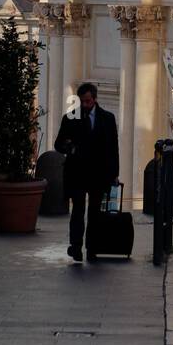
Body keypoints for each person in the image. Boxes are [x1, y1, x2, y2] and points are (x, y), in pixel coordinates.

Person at [54, 81, 119, 262]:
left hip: (99, 174)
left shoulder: (108, 119)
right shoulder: (70, 118)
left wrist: (114, 173)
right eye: (82, 101)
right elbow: (58, 144)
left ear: (95, 99)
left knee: (95, 212)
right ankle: (76, 247)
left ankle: (92, 247)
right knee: (78, 211)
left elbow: (114, 148)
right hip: (78, 173)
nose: (84, 105)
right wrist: (70, 148)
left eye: (88, 101)